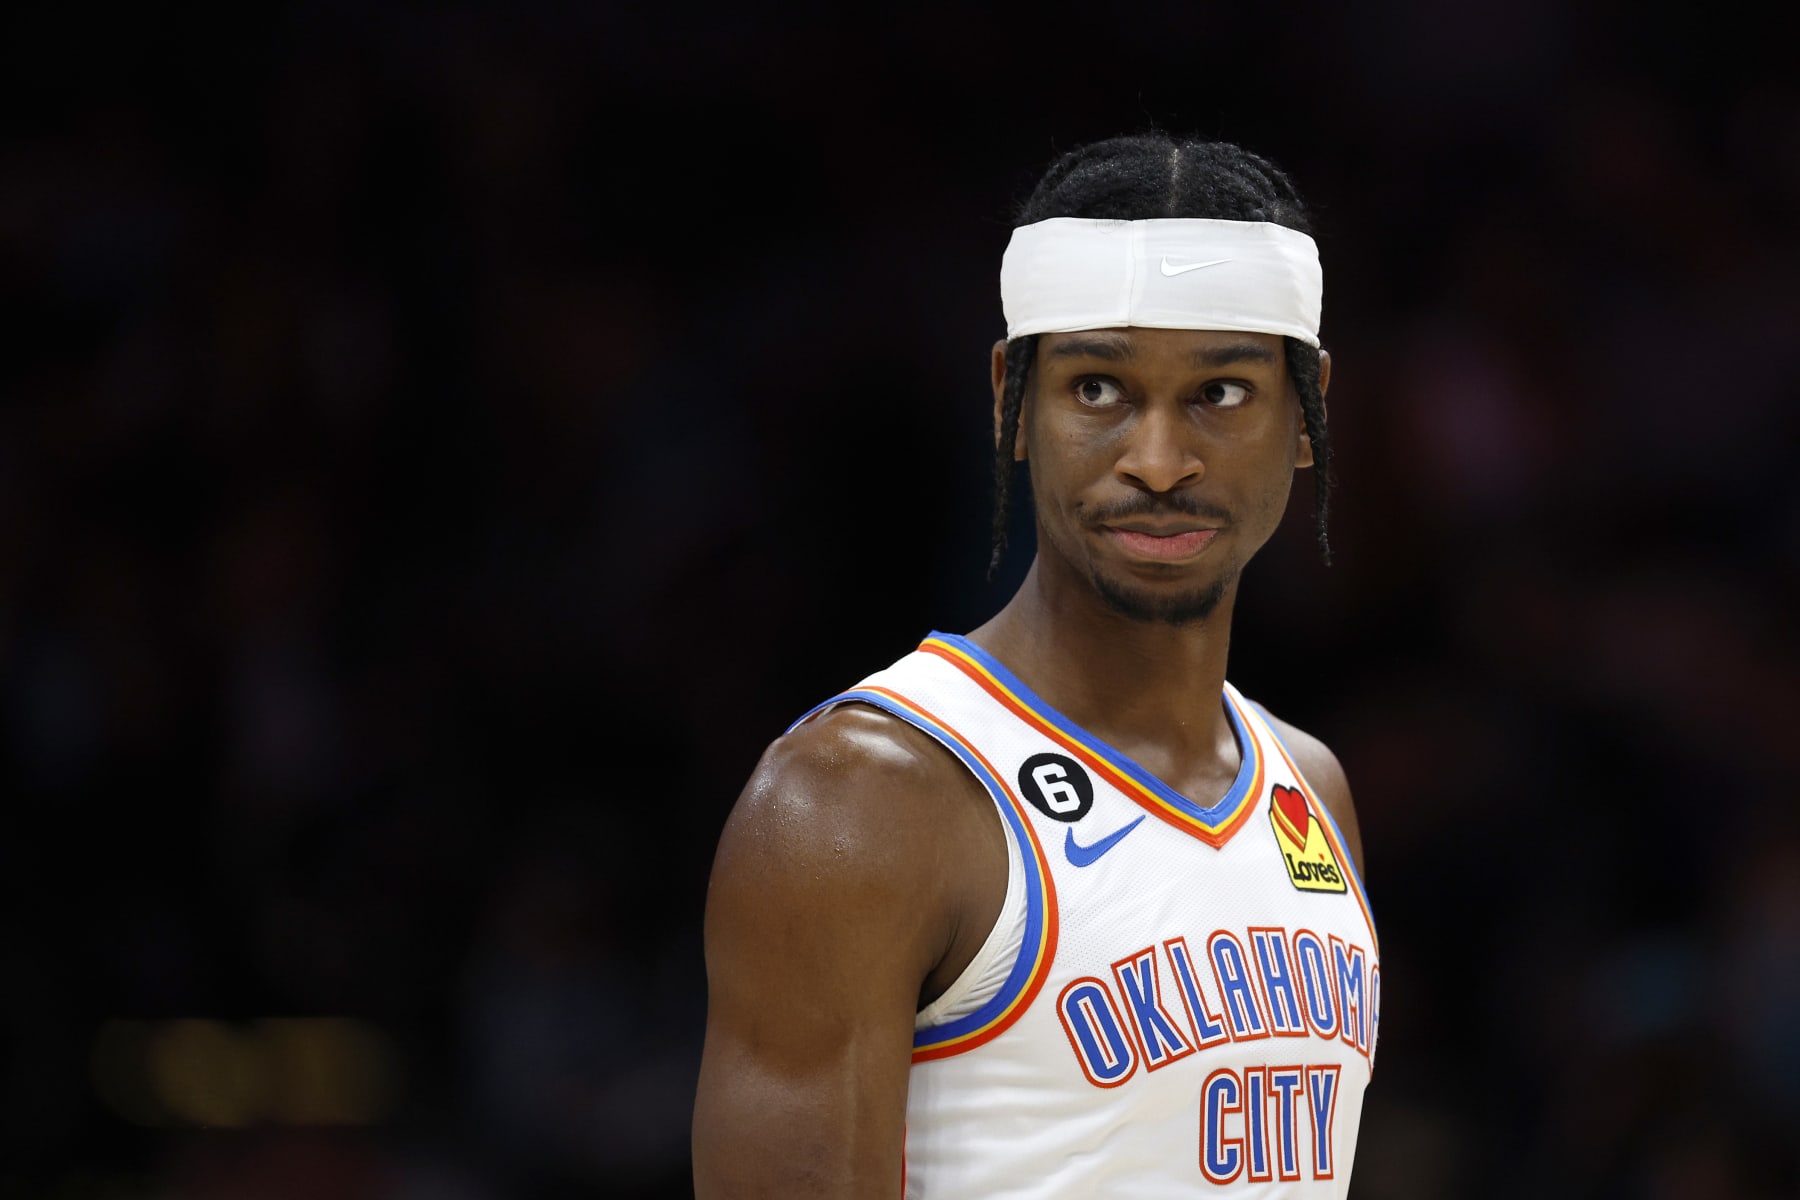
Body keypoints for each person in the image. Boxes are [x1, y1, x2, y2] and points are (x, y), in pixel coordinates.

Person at [692, 134, 1378, 1197]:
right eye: (1099, 387)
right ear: (1013, 398)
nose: (1158, 460)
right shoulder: (862, 798)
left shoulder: (1311, 790)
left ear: (1307, 414)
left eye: (1223, 394)